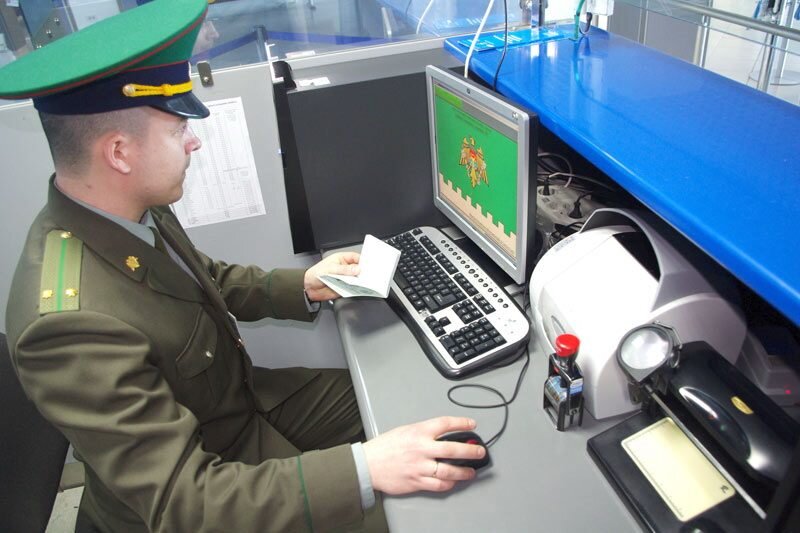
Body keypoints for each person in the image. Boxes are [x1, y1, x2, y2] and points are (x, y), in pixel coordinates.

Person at [0, 0, 485, 531]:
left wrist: (304, 284)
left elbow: (200, 279)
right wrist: (366, 469)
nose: (194, 140)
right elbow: (188, 503)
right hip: (209, 484)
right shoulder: (68, 325)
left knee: (406, 405)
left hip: (242, 408)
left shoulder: (127, 206)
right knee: (404, 516)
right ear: (119, 153)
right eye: (177, 129)